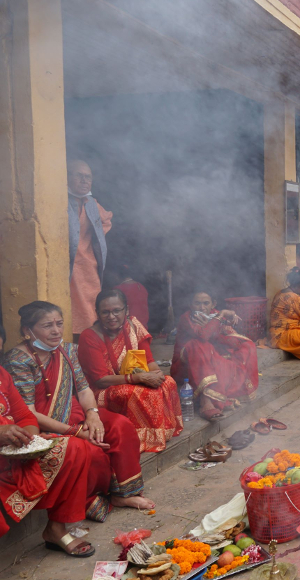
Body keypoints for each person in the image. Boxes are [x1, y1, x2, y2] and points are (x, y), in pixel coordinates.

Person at [2, 301, 154, 519]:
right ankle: (91, 499)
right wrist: (75, 431)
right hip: (43, 425)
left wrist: (93, 414)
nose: (56, 331)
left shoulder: (67, 350)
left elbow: (83, 390)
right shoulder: (18, 361)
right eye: (47, 326)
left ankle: (123, 493)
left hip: (75, 413)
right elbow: (28, 414)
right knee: (91, 450)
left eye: (59, 324)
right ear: (27, 331)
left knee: (120, 425)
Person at [0, 326, 102, 557]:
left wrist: (29, 440)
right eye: (48, 325)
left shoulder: (1, 375)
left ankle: (56, 528)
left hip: (13, 451)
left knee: (75, 446)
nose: (55, 330)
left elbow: (24, 415)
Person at [77, 290, 183, 452]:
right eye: (105, 312)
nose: (111, 316)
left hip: (135, 378)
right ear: (97, 313)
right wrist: (138, 378)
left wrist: (156, 374)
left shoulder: (133, 324)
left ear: (126, 310)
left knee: (168, 382)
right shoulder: (89, 336)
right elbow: (101, 380)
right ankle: (139, 439)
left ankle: (161, 432)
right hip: (102, 391)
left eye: (116, 311)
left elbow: (149, 361)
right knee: (139, 393)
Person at [170, 290, 259, 420]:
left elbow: (231, 340)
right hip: (184, 367)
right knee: (199, 344)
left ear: (213, 304)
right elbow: (203, 335)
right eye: (197, 303)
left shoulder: (215, 315)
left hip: (208, 359)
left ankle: (232, 391)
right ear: (190, 305)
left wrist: (226, 323)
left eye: (206, 303)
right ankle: (206, 401)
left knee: (247, 346)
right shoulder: (187, 317)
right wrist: (221, 316)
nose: (202, 307)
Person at [67, 160, 113, 335]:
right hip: (67, 265)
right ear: (67, 177)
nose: (84, 180)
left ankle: (89, 339)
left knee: (91, 304)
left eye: (88, 177)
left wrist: (96, 238)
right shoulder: (58, 201)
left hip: (88, 265)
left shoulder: (92, 203)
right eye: (79, 176)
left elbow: (106, 220)